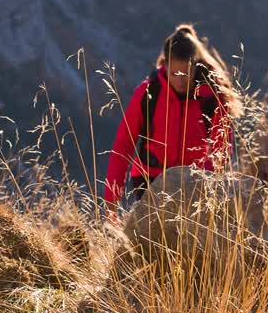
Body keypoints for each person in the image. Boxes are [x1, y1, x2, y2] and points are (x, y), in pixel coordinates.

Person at [102, 24, 243, 211]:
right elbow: (123, 145)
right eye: (175, 73)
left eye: (186, 73)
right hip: (149, 179)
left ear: (195, 67)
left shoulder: (212, 97)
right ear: (165, 65)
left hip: (193, 183)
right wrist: (111, 202)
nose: (180, 80)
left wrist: (204, 180)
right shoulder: (148, 92)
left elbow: (221, 152)